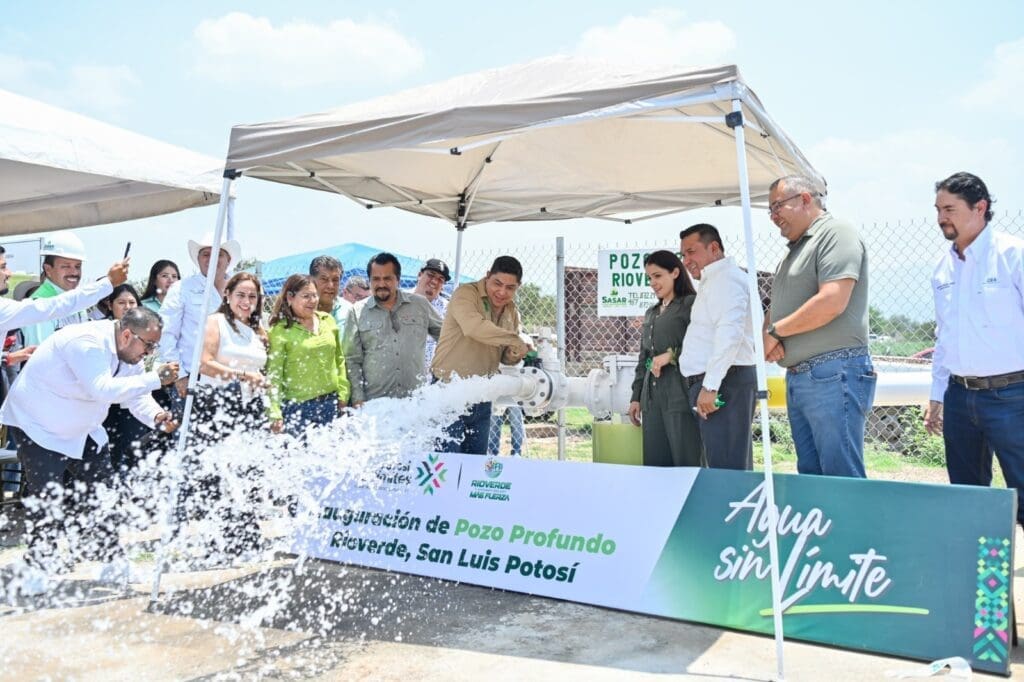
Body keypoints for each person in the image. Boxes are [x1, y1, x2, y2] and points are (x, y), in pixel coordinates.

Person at [0, 307, 179, 585]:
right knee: (48, 499)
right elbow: (102, 389)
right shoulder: (86, 341)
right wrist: (156, 378)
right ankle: (38, 568)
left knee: (104, 494)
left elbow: (134, 394)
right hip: (38, 426)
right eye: (149, 345)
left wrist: (156, 415)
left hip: (84, 429)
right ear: (128, 335)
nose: (150, 352)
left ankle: (113, 561)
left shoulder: (129, 352)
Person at [924, 172, 1024, 531]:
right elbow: (944, 337)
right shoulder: (942, 268)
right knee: (967, 498)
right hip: (959, 397)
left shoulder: (1013, 255)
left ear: (979, 208)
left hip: (1012, 396)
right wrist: (937, 396)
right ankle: (976, 564)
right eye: (938, 209)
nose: (941, 218)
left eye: (949, 209)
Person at [764, 175, 875, 478]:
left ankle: (847, 515)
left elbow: (832, 301)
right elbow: (779, 303)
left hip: (833, 372)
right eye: (769, 210)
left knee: (840, 477)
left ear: (804, 199)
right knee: (812, 477)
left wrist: (775, 332)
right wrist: (768, 335)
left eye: (777, 206)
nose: (773, 216)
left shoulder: (836, 234)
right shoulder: (796, 248)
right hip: (805, 375)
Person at [190, 272, 269, 555]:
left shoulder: (258, 329)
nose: (246, 302)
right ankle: (218, 539)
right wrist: (243, 375)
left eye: (252, 296)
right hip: (218, 404)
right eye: (241, 295)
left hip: (251, 407)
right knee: (218, 474)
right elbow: (204, 363)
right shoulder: (215, 322)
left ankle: (246, 534)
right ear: (228, 295)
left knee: (247, 471)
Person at [432, 256, 531, 454]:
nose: (502, 292)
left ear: (518, 287)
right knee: (447, 465)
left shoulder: (512, 311)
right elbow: (473, 328)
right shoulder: (465, 294)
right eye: (497, 284)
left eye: (510, 288)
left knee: (476, 466)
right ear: (487, 276)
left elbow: (503, 356)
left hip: (482, 396)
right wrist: (514, 339)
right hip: (449, 391)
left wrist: (515, 353)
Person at [679, 224, 757, 470]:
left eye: (691, 252)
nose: (686, 261)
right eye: (683, 255)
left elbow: (729, 334)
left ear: (713, 248)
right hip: (720, 380)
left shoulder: (726, 280)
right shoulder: (715, 280)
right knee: (723, 463)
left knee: (727, 469)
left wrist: (710, 386)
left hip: (724, 382)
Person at [627, 250, 703, 467]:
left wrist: (671, 355)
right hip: (651, 400)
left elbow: (704, 343)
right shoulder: (651, 313)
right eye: (649, 277)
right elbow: (644, 358)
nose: (653, 283)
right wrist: (636, 397)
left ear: (675, 273)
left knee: (686, 461)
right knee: (655, 465)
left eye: (658, 276)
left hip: (680, 395)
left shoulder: (691, 304)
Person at [344, 253, 442, 405]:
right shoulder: (356, 312)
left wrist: (441, 374)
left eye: (387, 278)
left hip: (415, 402)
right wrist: (357, 398)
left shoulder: (420, 305)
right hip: (375, 404)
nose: (381, 284)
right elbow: (352, 360)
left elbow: (446, 337)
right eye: (376, 279)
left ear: (398, 280)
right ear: (370, 280)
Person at [158, 232, 240, 403]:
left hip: (233, 380)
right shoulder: (181, 288)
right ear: (198, 259)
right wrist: (179, 376)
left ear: (229, 260)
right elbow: (167, 333)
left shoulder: (240, 289)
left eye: (218, 254)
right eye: (206, 254)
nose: (211, 258)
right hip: (193, 380)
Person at [267, 274, 350, 437]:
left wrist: (343, 392)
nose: (312, 301)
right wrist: (274, 411)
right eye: (306, 296)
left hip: (331, 403)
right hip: (298, 409)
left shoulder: (328, 320)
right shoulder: (280, 331)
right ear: (290, 298)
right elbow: (274, 375)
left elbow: (339, 359)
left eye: (314, 295)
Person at [95, 284, 151, 475]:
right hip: (101, 406)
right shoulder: (99, 332)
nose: (127, 307)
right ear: (110, 305)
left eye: (132, 302)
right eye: (121, 302)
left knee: (128, 453)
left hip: (130, 406)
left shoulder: (145, 333)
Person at [22, 232, 93, 346]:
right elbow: (40, 354)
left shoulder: (77, 301)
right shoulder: (39, 307)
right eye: (66, 266)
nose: (74, 272)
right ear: (48, 269)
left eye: (77, 266)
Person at [411, 258, 451, 372]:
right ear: (420, 275)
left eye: (440, 279)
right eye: (431, 275)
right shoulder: (400, 300)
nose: (434, 281)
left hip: (430, 377)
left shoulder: (448, 310)